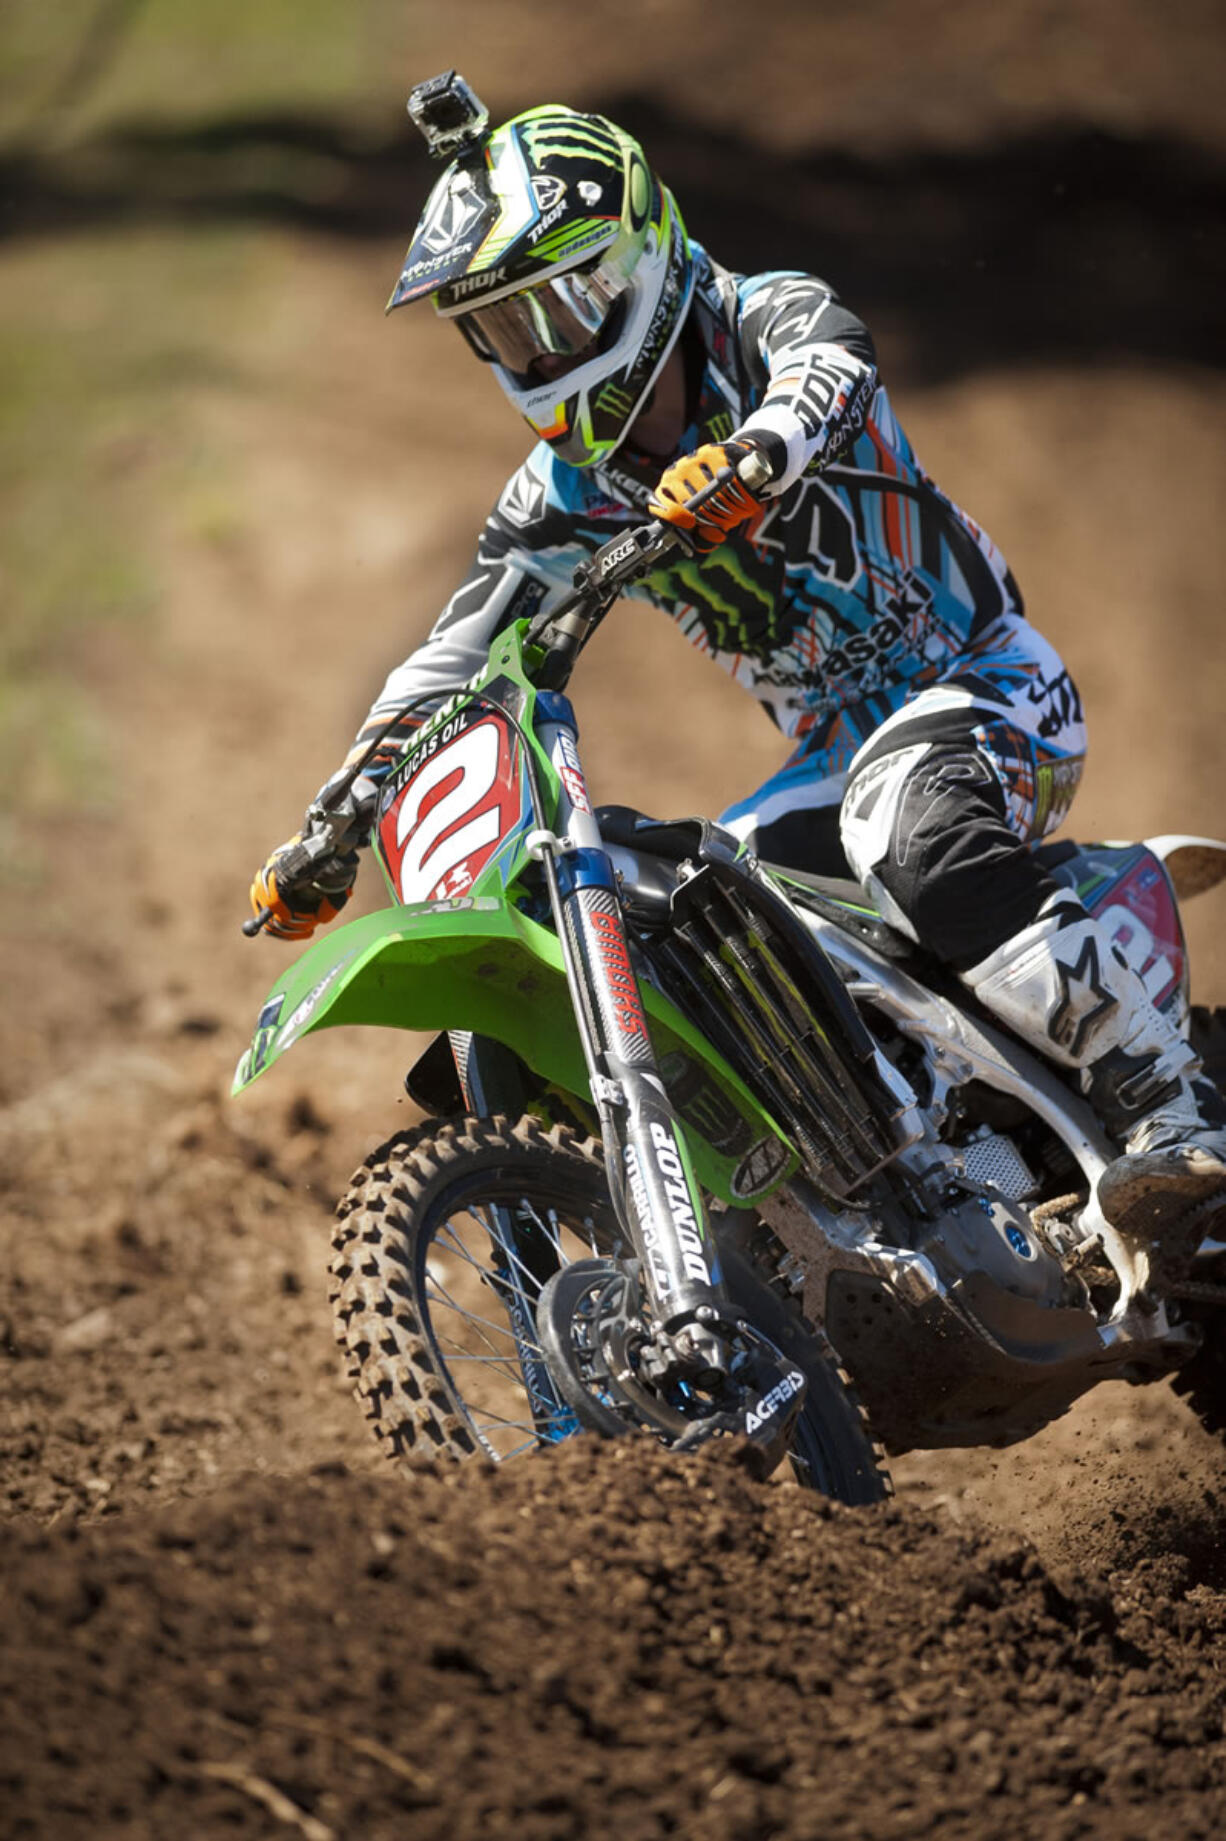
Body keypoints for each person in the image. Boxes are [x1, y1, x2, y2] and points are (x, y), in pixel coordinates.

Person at [251, 80, 1226, 1279]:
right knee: (692, 909)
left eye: (557, 304)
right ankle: (904, 1177)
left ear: (634, 256)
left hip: (985, 683)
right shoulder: (561, 497)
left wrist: (754, 455)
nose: (540, 351)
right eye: (503, 331)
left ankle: (1165, 1106)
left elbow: (834, 365)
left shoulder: (759, 318)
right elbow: (450, 658)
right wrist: (334, 822)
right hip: (828, 756)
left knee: (898, 817)